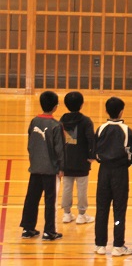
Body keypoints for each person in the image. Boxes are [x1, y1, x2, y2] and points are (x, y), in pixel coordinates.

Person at [19, 91, 65, 241]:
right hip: (50, 169)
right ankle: (49, 231)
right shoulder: (56, 125)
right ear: (55, 107)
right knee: (50, 200)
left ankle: (27, 228)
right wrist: (61, 168)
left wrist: (33, 160)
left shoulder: (34, 121)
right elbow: (60, 149)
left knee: (31, 198)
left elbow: (30, 143)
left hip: (35, 166)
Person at [94, 97, 132, 256]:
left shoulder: (101, 129)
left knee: (102, 208)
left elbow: (95, 152)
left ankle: (100, 244)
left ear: (106, 111)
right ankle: (118, 245)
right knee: (119, 210)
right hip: (120, 173)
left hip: (104, 172)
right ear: (121, 112)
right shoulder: (126, 130)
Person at [59, 91, 95, 225]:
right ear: (81, 104)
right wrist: (92, 156)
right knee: (82, 189)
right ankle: (82, 215)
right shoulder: (85, 121)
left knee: (67, 187)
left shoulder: (62, 120)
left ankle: (66, 213)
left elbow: (58, 140)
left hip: (66, 160)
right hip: (82, 160)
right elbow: (91, 139)